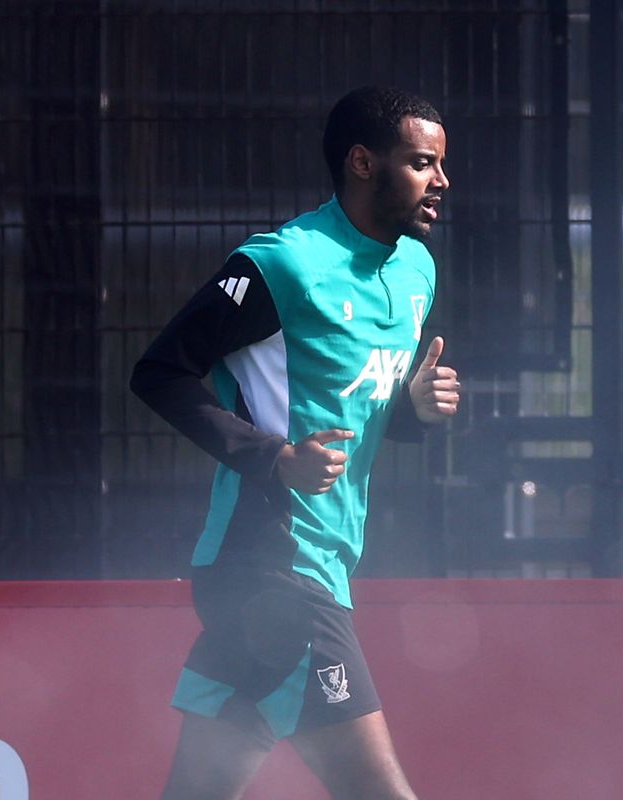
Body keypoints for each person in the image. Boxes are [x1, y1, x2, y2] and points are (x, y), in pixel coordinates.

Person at [130, 86, 458, 800]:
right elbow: (160, 373)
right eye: (421, 163)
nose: (441, 181)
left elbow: (359, 407)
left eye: (439, 164)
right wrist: (273, 457)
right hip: (271, 568)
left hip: (312, 569)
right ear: (363, 163)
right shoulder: (282, 264)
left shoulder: (416, 272)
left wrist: (415, 412)